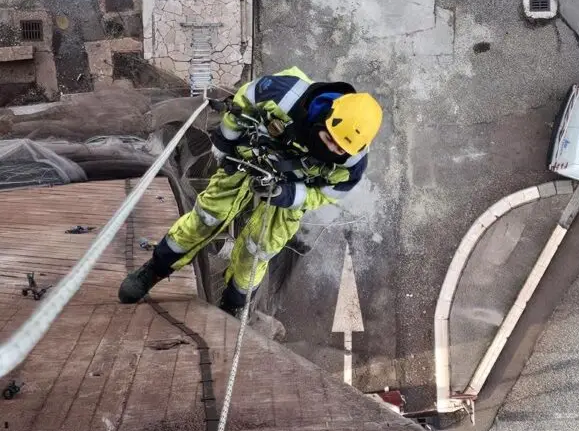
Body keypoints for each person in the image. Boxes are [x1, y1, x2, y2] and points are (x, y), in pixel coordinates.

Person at [118, 67, 383, 316]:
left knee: (260, 248)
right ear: (327, 117)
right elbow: (243, 102)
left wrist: (289, 196)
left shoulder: (352, 162)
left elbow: (329, 193)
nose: (331, 149)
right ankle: (153, 270)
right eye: (328, 139)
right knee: (207, 216)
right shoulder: (284, 94)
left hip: (293, 185)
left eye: (339, 150)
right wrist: (224, 146)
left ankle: (233, 305)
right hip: (249, 157)